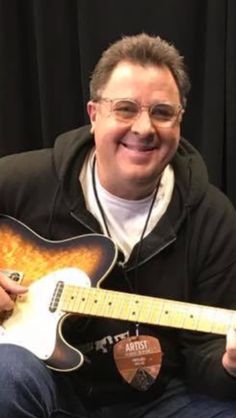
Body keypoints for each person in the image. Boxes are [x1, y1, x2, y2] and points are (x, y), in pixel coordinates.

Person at [1, 33, 236, 418]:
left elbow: (204, 355)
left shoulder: (213, 216)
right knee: (6, 374)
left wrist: (228, 365)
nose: (144, 128)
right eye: (125, 108)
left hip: (158, 397)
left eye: (162, 112)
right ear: (94, 114)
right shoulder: (24, 180)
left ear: (180, 120)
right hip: (43, 382)